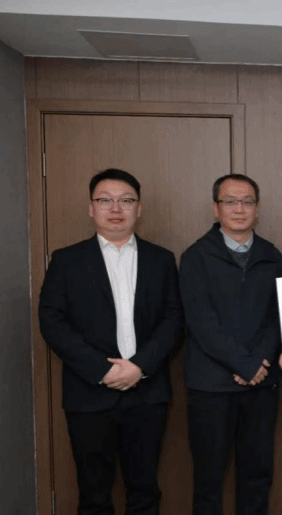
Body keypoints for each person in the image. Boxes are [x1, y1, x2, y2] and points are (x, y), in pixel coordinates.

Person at [39, 168, 183, 515]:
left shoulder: (162, 259)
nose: (115, 208)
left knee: (145, 490)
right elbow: (52, 322)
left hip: (147, 392)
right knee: (93, 495)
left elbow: (174, 319)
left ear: (139, 208)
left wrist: (140, 366)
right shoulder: (66, 260)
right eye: (105, 200)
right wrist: (101, 371)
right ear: (91, 208)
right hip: (89, 393)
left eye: (126, 200)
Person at [179, 174, 282, 515]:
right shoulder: (196, 256)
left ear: (257, 208)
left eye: (247, 202)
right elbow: (201, 321)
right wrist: (244, 364)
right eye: (230, 201)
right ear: (216, 208)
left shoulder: (272, 256)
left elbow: (279, 316)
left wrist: (258, 362)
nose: (239, 209)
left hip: (261, 384)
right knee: (208, 479)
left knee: (257, 475)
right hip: (211, 387)